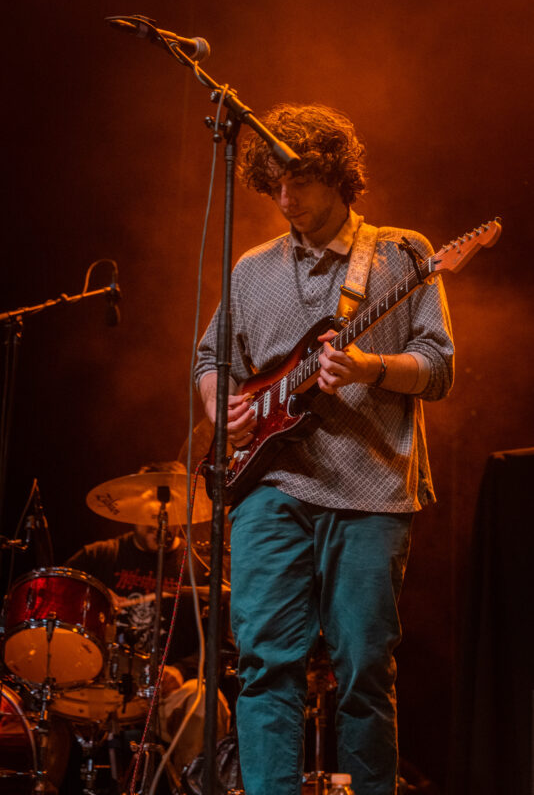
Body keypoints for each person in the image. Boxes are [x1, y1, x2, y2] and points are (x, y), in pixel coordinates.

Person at [194, 103, 454, 795]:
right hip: (270, 489)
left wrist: (371, 368)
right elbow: (211, 358)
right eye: (274, 184)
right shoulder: (252, 269)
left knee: (364, 671)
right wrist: (224, 409)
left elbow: (439, 368)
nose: (286, 199)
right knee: (263, 667)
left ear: (339, 175)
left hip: (371, 490)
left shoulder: (402, 255)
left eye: (300, 181)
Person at [66, 461, 231, 777]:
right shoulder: (99, 557)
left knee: (204, 702)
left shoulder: (200, 569)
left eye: (166, 517)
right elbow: (55, 607)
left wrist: (182, 671)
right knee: (45, 705)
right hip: (100, 689)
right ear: (132, 512)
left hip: (169, 692)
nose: (159, 524)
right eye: (150, 518)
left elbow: (221, 643)